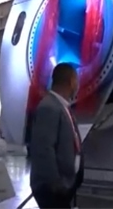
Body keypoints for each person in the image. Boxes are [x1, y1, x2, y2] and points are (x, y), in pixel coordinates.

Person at [29, 63, 84, 209]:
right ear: (71, 81)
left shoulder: (62, 107)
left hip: (65, 185)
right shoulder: (49, 107)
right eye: (77, 80)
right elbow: (44, 148)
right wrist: (55, 183)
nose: (78, 85)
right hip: (53, 189)